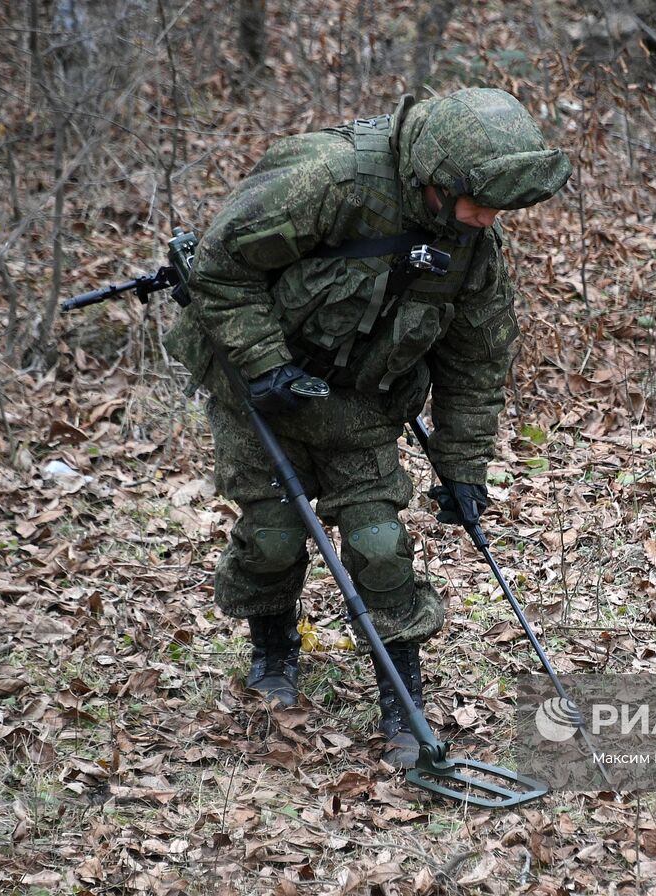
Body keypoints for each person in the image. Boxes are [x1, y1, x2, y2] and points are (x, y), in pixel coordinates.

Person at [164, 88, 571, 767]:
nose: (486, 217)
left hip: (360, 404)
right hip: (259, 388)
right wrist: (265, 364)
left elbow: (476, 360)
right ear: (431, 178)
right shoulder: (330, 180)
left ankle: (401, 696)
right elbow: (221, 267)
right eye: (476, 199)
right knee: (271, 536)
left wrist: (464, 467)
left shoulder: (471, 246)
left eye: (495, 204)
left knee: (380, 544)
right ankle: (273, 649)